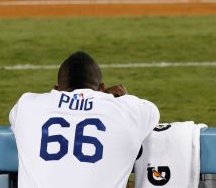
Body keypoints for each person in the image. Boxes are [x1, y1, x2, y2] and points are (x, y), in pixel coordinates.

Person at [8, 51, 159, 188]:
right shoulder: (127, 110)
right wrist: (115, 98)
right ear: (101, 88)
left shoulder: (27, 105)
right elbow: (153, 114)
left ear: (56, 89)